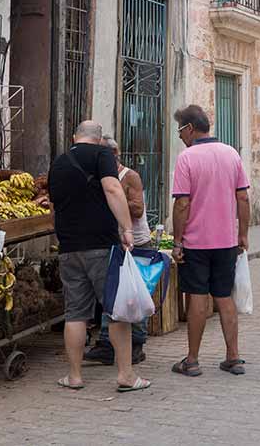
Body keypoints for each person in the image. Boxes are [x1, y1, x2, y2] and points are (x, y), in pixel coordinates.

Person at [49, 120, 148, 392]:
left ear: (74, 137)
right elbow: (113, 189)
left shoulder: (59, 162)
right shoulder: (102, 154)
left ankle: (75, 376)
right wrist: (127, 229)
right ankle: (126, 376)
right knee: (116, 311)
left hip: (69, 247)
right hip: (101, 246)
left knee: (76, 313)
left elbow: (55, 205)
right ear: (99, 139)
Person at [170, 105, 249, 378]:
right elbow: (243, 198)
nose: (180, 136)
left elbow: (182, 203)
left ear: (190, 128)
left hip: (196, 242)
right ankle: (233, 357)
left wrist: (177, 241)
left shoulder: (187, 158)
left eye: (180, 129)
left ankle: (192, 360)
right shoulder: (231, 154)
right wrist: (243, 234)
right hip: (226, 241)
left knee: (197, 298)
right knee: (224, 297)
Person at [84, 136, 150, 366]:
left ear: (113, 155)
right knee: (111, 295)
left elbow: (139, 209)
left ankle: (137, 344)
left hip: (136, 243)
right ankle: (106, 344)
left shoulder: (129, 176)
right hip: (113, 242)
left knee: (134, 295)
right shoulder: (99, 178)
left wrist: (113, 198)